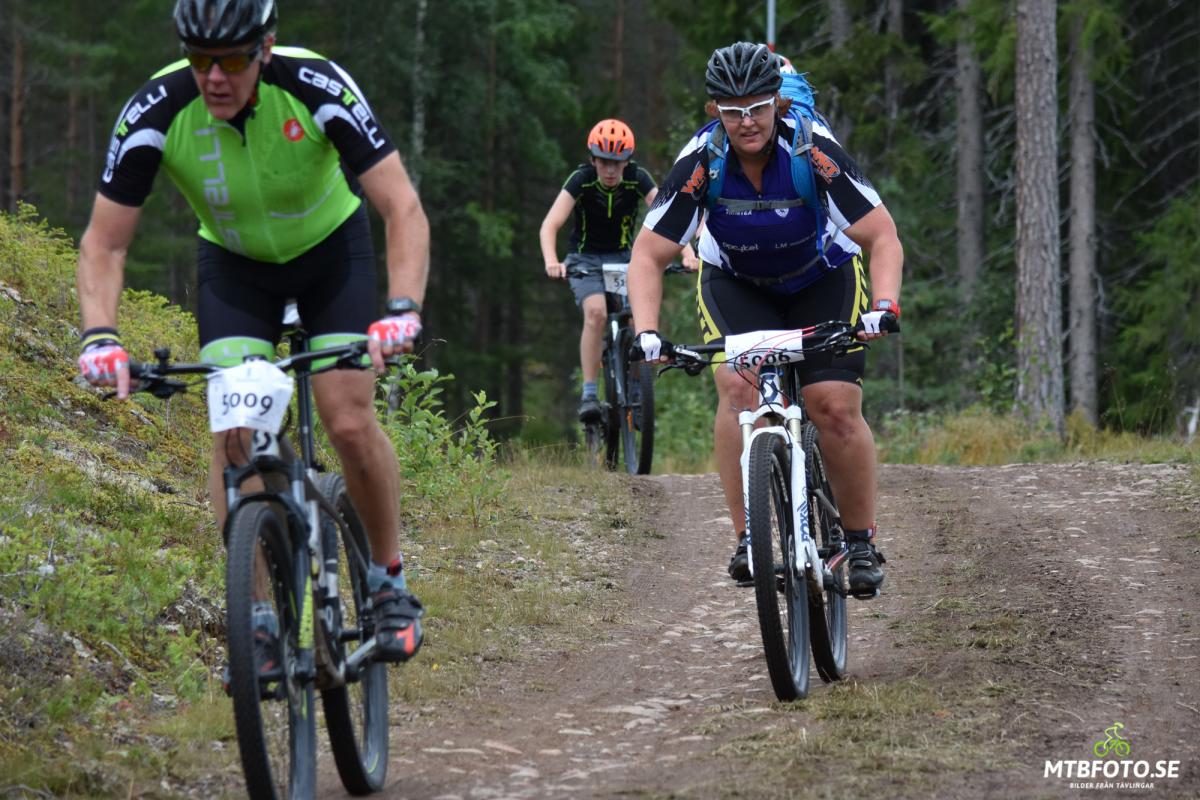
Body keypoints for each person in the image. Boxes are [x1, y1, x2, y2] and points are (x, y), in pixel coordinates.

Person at [75, 0, 426, 663]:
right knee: (236, 433)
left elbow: (400, 205)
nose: (214, 76)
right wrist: (100, 337)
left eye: (232, 59)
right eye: (199, 58)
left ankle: (388, 581)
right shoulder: (155, 109)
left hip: (332, 258)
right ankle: (258, 613)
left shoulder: (315, 84)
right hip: (236, 271)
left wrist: (402, 307)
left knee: (346, 418)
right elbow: (104, 244)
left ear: (265, 47)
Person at [627, 42, 904, 597]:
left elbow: (882, 236)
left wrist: (884, 307)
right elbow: (647, 256)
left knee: (833, 404)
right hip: (737, 283)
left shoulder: (811, 149)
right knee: (737, 388)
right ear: (715, 111)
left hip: (822, 276)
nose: (747, 121)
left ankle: (859, 541)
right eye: (733, 112)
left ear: (777, 102)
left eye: (757, 107)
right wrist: (647, 333)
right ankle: (748, 539)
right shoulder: (702, 162)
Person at [539, 119, 699, 423]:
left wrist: (688, 254)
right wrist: (551, 261)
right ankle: (589, 393)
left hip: (625, 259)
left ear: (628, 161)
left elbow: (672, 216)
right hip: (585, 260)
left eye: (618, 162)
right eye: (604, 162)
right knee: (596, 313)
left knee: (639, 318)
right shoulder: (582, 179)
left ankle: (638, 388)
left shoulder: (637, 178)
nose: (610, 170)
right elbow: (550, 225)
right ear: (593, 160)